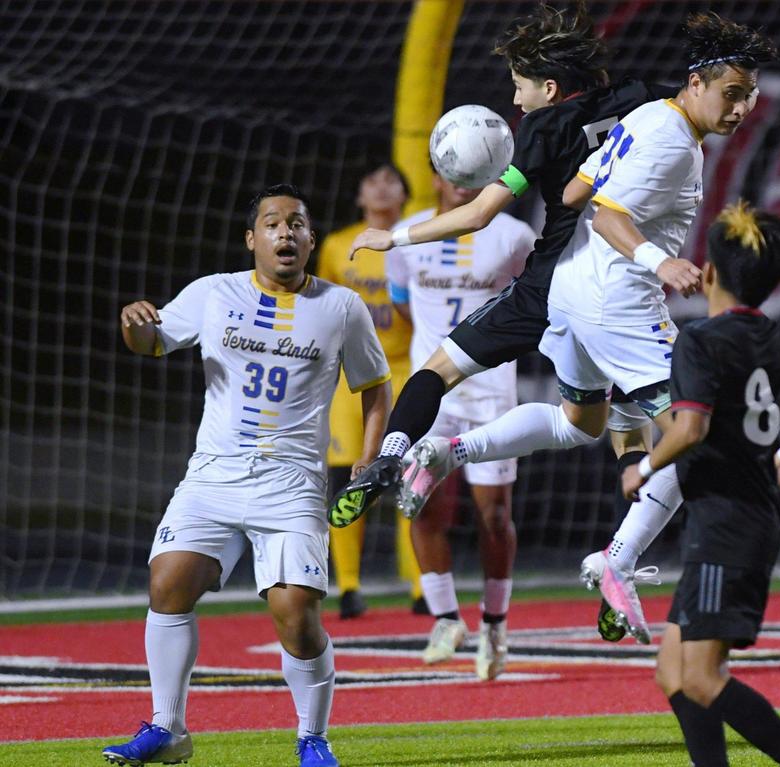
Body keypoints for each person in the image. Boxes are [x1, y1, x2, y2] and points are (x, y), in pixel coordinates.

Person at [394, 12, 777, 645]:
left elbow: (572, 192)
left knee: (581, 425)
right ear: (696, 84)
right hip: (617, 303)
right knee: (706, 435)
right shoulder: (668, 136)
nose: (741, 108)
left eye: (750, 96)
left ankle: (446, 451)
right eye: (732, 94)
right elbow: (603, 216)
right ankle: (616, 562)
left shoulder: (653, 118)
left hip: (572, 294)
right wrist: (663, 259)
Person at [327, 0, 672, 534]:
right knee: (592, 425)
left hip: (548, 285)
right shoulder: (635, 97)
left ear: (550, 88)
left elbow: (479, 214)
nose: (515, 97)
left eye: (520, 85)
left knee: (434, 373)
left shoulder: (542, 128)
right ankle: (624, 554)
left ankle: (393, 454)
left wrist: (393, 236)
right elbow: (685, 106)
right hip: (613, 287)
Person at [103, 185, 391, 767]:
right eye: (272, 223)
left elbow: (375, 387)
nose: (285, 232)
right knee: (167, 584)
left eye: (297, 224)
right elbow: (151, 341)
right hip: (213, 475)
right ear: (251, 239)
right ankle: (168, 727)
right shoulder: (214, 292)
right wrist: (133, 323)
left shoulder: (341, 307)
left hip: (291, 484)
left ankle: (313, 737)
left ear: (310, 240)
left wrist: (369, 456)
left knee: (295, 616)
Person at [621, 201, 780, 767]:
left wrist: (644, 467)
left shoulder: (699, 341)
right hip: (743, 517)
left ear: (708, 274)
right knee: (672, 672)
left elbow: (691, 428)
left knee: (701, 679)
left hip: (726, 525)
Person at [386, 168, 535, 679]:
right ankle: (446, 619)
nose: (464, 182)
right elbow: (403, 305)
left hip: (492, 393)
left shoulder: (515, 235)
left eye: (476, 172)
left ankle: (495, 625)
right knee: (422, 505)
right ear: (435, 176)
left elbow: (536, 296)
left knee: (493, 515)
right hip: (432, 389)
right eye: (455, 172)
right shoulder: (408, 236)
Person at [317, 161, 422, 619]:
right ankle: (349, 588)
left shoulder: (418, 240)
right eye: (372, 181)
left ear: (405, 195)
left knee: (411, 477)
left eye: (391, 182)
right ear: (359, 196)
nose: (381, 189)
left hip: (404, 368)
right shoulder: (339, 246)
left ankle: (422, 588)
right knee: (347, 477)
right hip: (351, 378)